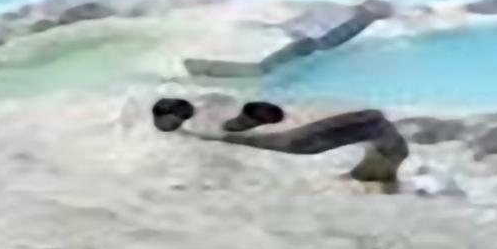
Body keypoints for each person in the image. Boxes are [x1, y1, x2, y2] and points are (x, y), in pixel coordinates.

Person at [152, 97, 409, 185]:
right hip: (299, 140)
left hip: (368, 133)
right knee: (382, 139)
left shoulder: (203, 119)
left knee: (383, 146)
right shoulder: (202, 123)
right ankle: (374, 174)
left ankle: (373, 174)